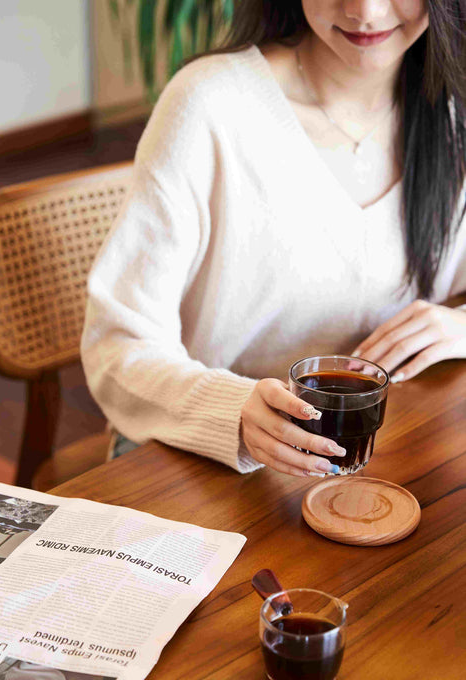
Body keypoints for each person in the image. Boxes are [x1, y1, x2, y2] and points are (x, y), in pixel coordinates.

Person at [81, 0, 466, 477]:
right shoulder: (210, 105)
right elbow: (116, 351)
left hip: (380, 458)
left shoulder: (452, 108)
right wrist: (234, 410)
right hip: (201, 460)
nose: (366, 11)